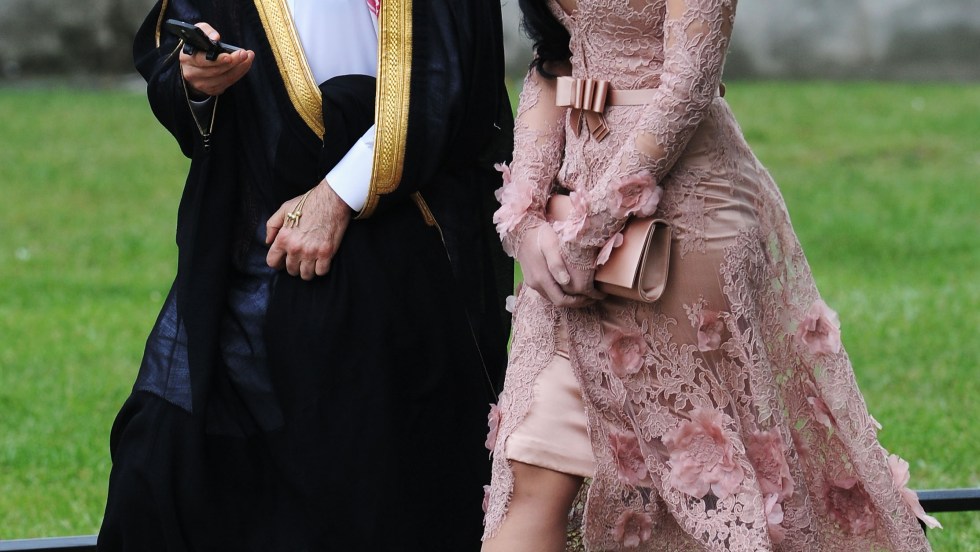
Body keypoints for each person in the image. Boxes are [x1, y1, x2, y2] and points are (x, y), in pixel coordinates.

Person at [481, 0, 939, 550]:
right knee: (533, 464)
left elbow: (688, 84)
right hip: (571, 221)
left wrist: (592, 228)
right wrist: (526, 218)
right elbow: (554, 61)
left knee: (707, 489)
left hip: (685, 223)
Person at [98, 0, 513, 550]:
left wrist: (338, 194)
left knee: (365, 480)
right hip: (251, 238)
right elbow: (178, 49)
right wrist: (196, 78)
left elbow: (450, 81)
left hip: (402, 243)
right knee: (167, 457)